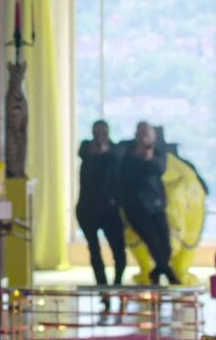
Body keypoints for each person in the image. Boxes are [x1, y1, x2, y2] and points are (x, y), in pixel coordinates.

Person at [118, 122, 179, 285]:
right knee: (152, 242)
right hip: (135, 207)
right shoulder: (127, 152)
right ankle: (167, 273)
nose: (144, 137)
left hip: (156, 205)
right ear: (136, 135)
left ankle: (159, 271)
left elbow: (159, 169)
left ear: (154, 136)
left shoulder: (158, 152)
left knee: (165, 244)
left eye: (148, 134)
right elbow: (126, 171)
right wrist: (138, 156)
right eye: (141, 133)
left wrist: (148, 157)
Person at [75, 121, 127, 292]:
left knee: (119, 251)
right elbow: (83, 152)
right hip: (88, 209)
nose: (99, 137)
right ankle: (102, 287)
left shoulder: (115, 151)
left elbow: (117, 155)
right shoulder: (86, 148)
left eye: (103, 133)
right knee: (94, 250)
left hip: (110, 210)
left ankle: (118, 284)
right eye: (96, 133)